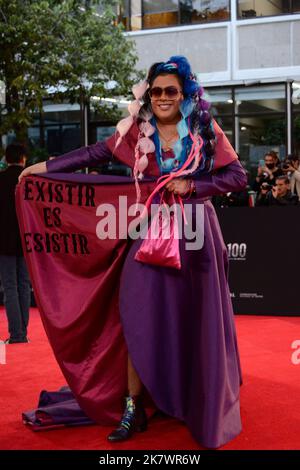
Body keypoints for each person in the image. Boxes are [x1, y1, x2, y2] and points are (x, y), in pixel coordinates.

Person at [19, 56, 247, 448]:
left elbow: (237, 177)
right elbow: (94, 154)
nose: (161, 97)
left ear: (185, 93)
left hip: (195, 237)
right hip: (147, 232)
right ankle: (132, 407)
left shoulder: (203, 129)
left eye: (170, 91)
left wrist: (192, 187)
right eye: (155, 90)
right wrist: (43, 167)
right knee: (136, 317)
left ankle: (199, 399)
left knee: (194, 318)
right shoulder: (136, 133)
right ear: (148, 94)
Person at [0, 143, 31, 343]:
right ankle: (23, 333)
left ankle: (16, 334)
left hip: (3, 241)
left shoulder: (0, 180)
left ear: (6, 158)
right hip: (27, 240)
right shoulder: (30, 181)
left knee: (10, 286)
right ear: (23, 159)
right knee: (24, 285)